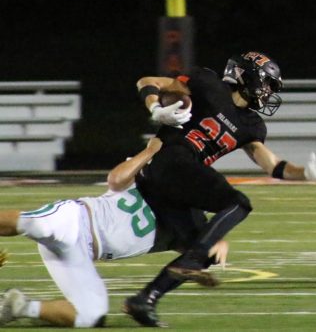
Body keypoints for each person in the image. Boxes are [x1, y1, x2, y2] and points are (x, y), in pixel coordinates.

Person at [124, 50, 316, 327]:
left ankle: (145, 299)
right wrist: (156, 109)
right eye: (268, 83)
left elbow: (272, 165)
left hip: (180, 181)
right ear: (249, 76)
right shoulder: (207, 82)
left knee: (208, 253)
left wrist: (306, 173)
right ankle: (190, 261)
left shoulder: (251, 124)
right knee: (238, 202)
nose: (269, 92)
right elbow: (147, 81)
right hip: (169, 159)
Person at [0, 137, 228, 328]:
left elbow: (191, 257)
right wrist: (149, 151)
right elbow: (116, 179)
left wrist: (210, 245)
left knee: (91, 315)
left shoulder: (191, 222)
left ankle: (18, 306)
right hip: (77, 219)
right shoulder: (153, 172)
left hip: (81, 253)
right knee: (33, 223)